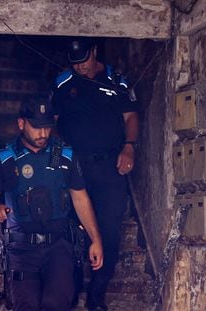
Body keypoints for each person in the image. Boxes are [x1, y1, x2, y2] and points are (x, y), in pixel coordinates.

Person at [0, 96, 104, 311]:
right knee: (26, 305)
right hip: (21, 248)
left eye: (47, 127)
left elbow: (80, 198)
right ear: (21, 124)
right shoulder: (6, 158)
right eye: (37, 127)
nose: (43, 134)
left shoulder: (62, 155)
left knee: (55, 305)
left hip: (59, 246)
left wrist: (96, 239)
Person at [51, 37, 139, 311]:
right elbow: (51, 124)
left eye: (85, 62)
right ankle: (73, 287)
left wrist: (129, 148)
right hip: (74, 166)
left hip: (109, 167)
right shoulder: (62, 82)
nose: (80, 68)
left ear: (95, 52)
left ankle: (97, 295)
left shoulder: (117, 80)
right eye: (75, 64)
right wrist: (57, 158)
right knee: (73, 231)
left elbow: (131, 118)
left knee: (109, 231)